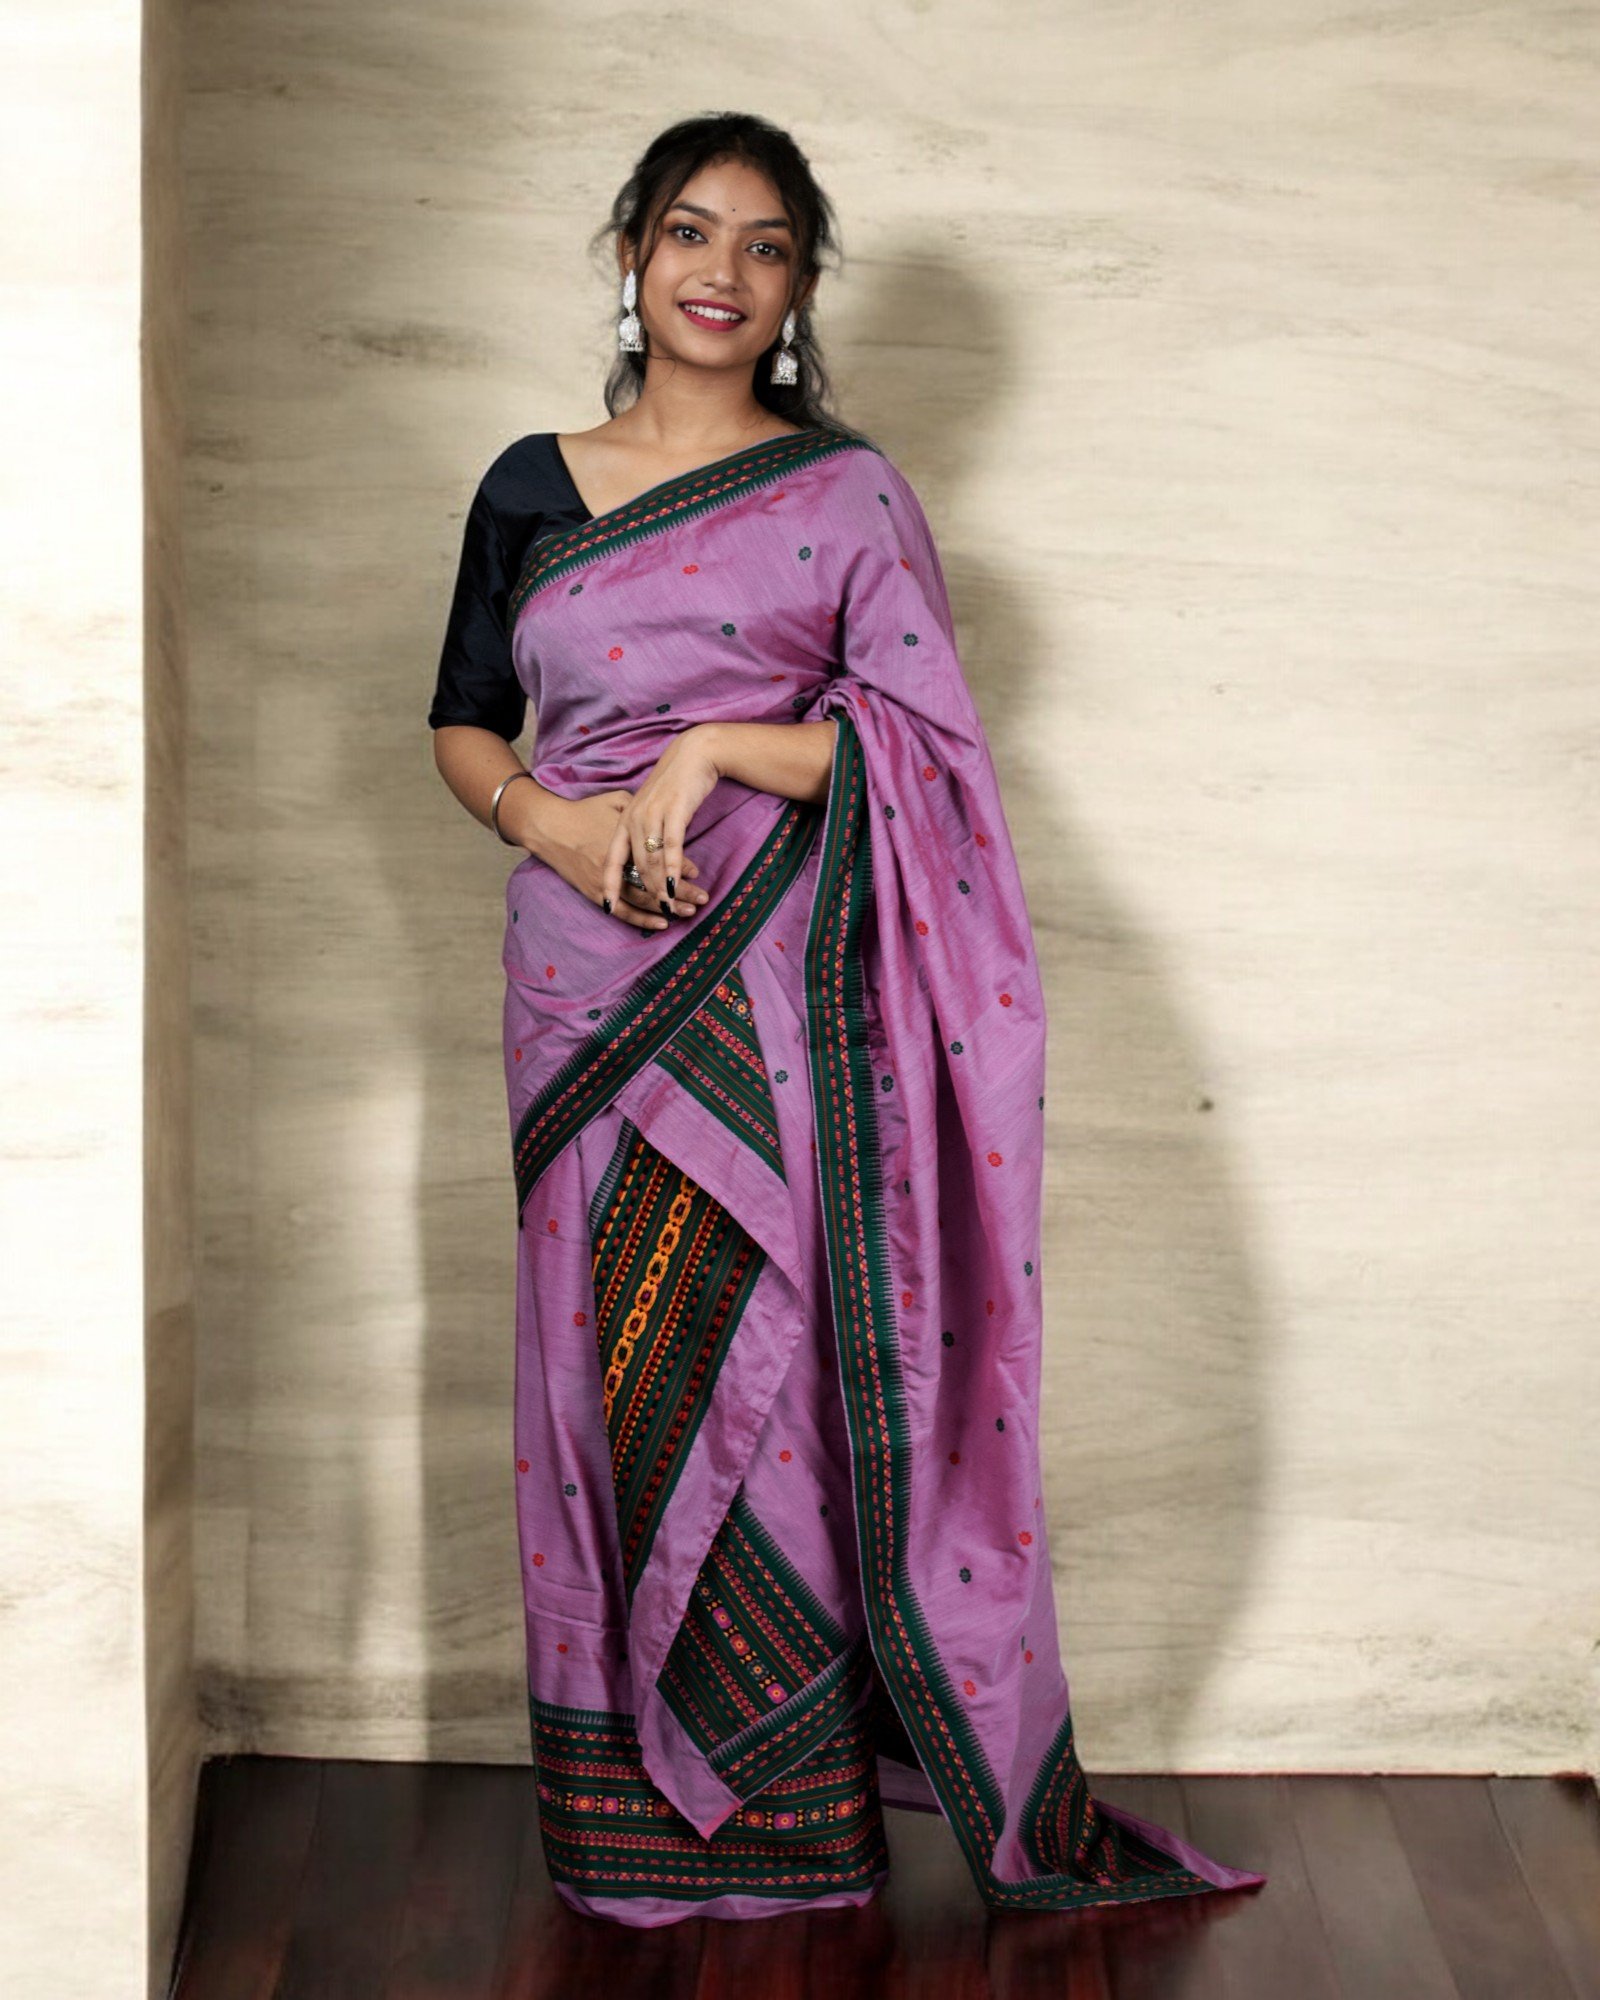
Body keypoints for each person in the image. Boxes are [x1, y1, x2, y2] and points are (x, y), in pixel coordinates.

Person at [429, 110, 1268, 1928]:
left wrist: (722, 746)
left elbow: (926, 753)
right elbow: (465, 718)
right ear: (632, 254)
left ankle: (791, 1813)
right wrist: (550, 822)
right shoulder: (528, 485)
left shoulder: (846, 495)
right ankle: (628, 1812)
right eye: (689, 232)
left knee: (774, 1354)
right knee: (604, 1369)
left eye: (765, 246)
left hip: (773, 984)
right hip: (579, 986)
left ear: (800, 287)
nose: (721, 272)